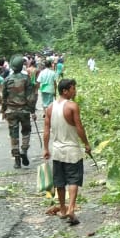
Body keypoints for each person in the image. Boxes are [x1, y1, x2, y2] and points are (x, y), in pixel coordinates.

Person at [42, 78, 92, 226]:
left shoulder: (50, 107)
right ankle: (71, 208)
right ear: (65, 91)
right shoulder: (72, 106)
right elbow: (79, 128)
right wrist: (86, 144)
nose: (74, 91)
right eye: (73, 89)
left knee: (59, 181)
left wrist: (46, 148)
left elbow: (46, 130)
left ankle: (63, 209)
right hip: (72, 150)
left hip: (57, 150)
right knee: (73, 179)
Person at [1, 55, 37, 169]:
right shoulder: (26, 79)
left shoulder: (7, 80)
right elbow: (31, 97)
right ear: (22, 66)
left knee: (13, 134)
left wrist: (3, 110)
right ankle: (24, 150)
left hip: (11, 111)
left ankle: (17, 160)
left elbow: (3, 97)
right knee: (26, 131)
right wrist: (32, 111)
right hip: (24, 110)